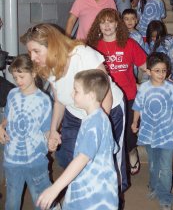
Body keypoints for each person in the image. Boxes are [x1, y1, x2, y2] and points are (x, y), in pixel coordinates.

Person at [19, 23, 127, 194]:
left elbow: (105, 93)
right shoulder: (47, 65)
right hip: (75, 112)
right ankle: (84, 192)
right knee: (69, 156)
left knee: (107, 158)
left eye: (36, 51)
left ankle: (111, 198)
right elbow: (59, 101)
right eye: (30, 52)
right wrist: (53, 130)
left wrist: (101, 127)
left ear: (52, 45)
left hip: (107, 109)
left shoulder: (82, 54)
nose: (32, 57)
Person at [37, 69, 119, 210]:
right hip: (95, 187)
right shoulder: (100, 118)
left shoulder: (94, 124)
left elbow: (82, 158)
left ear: (91, 96)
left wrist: (55, 188)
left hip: (92, 193)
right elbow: (112, 147)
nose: (71, 94)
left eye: (76, 91)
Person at [87, 8, 147, 176]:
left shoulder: (129, 44)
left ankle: (131, 151)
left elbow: (146, 66)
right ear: (98, 25)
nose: (106, 25)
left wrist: (160, 78)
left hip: (128, 97)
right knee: (107, 134)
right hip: (102, 98)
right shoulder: (92, 47)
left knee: (128, 134)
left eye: (110, 21)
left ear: (117, 24)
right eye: (103, 22)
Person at [131, 52, 173, 210]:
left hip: (167, 134)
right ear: (148, 71)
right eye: (157, 71)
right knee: (154, 164)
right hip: (149, 133)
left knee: (166, 167)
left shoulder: (171, 88)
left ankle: (165, 197)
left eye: (164, 70)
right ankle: (154, 187)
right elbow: (138, 107)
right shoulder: (143, 89)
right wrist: (135, 122)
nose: (161, 74)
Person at [0, 54, 55, 210]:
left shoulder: (44, 100)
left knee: (42, 199)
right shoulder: (12, 94)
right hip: (12, 159)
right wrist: (1, 126)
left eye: (22, 76)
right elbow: (8, 117)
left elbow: (47, 130)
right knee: (11, 201)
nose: (18, 81)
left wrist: (52, 141)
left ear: (33, 73)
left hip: (36, 160)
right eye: (15, 77)